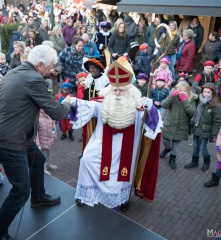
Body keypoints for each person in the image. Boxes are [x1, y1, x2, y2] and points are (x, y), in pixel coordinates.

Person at [0, 45, 71, 240]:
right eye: (50, 66)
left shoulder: (14, 72)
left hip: (16, 135)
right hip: (10, 141)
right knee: (20, 191)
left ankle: (39, 197)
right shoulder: (34, 80)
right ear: (40, 64)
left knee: (38, 159)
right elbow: (57, 112)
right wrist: (69, 102)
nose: (52, 69)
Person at [67, 56, 162, 210]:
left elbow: (154, 124)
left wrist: (150, 108)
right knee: (86, 160)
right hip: (101, 144)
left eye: (121, 90)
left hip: (125, 150)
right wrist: (74, 102)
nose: (117, 93)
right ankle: (86, 194)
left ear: (129, 90)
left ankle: (122, 199)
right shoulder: (103, 102)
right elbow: (89, 106)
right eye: (114, 89)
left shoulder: (138, 108)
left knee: (123, 173)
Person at [160, 82, 197, 169]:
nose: (182, 92)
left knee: (176, 145)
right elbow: (164, 105)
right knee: (165, 139)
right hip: (169, 124)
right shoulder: (172, 97)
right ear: (176, 90)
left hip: (181, 127)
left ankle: (172, 158)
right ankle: (167, 148)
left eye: (184, 91)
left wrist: (185, 100)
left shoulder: (191, 100)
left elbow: (192, 112)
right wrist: (171, 96)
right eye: (180, 90)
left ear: (188, 92)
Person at [184, 83, 221, 172]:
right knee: (195, 146)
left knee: (203, 147)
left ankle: (206, 162)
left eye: (208, 92)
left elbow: (217, 121)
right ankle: (194, 162)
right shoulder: (198, 100)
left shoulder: (216, 105)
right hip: (196, 127)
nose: (206, 94)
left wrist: (214, 134)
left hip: (206, 130)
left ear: (212, 93)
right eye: (204, 91)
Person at [35, 109, 58, 175]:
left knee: (48, 153)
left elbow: (53, 126)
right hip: (41, 142)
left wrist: (54, 135)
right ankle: (43, 168)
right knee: (43, 156)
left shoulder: (49, 116)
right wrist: (38, 144)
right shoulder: (37, 118)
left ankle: (48, 164)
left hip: (49, 140)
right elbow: (35, 133)